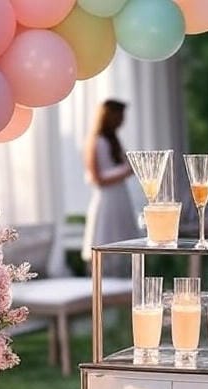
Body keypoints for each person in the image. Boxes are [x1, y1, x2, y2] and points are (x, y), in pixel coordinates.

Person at [81, 99, 138, 274]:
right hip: (107, 200)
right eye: (120, 116)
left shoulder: (114, 140)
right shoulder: (96, 141)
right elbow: (96, 177)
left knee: (124, 239)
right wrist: (126, 171)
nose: (122, 120)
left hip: (120, 197)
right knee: (107, 238)